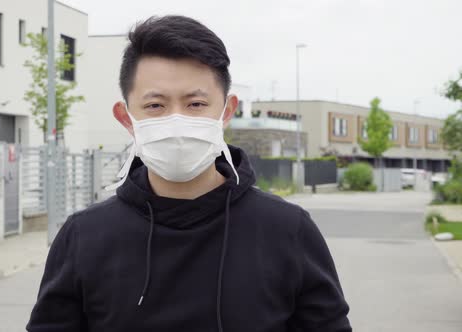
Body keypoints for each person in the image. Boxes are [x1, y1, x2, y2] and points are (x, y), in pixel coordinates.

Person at [26, 15, 351, 332]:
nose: (176, 121)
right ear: (126, 118)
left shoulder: (288, 231)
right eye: (155, 106)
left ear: (227, 110)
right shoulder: (84, 237)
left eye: (196, 104)